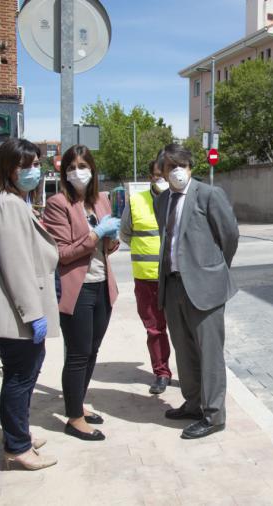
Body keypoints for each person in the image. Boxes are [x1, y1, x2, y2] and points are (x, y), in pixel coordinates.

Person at [0, 139, 58, 470]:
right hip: (19, 314)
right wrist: (33, 314)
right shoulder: (7, 206)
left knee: (23, 372)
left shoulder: (10, 202)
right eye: (25, 166)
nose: (33, 171)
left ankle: (18, 433)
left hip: (19, 312)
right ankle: (17, 447)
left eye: (36, 164)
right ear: (7, 169)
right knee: (20, 376)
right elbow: (17, 265)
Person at [153, 144, 239, 439]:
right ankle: (193, 403)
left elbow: (229, 235)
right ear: (162, 172)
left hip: (205, 286)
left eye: (181, 165)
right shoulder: (162, 200)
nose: (176, 171)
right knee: (184, 350)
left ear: (190, 167)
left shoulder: (209, 194)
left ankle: (214, 415)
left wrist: (214, 268)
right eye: (169, 166)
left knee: (210, 354)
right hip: (173, 284)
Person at [43, 145, 120, 442]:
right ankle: (74, 418)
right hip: (78, 289)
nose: (78, 171)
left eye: (83, 165)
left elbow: (107, 249)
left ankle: (79, 403)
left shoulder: (101, 200)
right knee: (77, 354)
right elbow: (62, 254)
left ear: (93, 169)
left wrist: (111, 240)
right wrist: (95, 234)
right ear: (65, 172)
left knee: (92, 351)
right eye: (72, 166)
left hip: (102, 285)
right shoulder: (57, 203)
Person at [120, 158, 172, 394]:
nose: (160, 178)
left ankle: (193, 375)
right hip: (146, 279)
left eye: (164, 174)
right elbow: (126, 234)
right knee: (155, 329)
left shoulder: (180, 199)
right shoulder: (135, 201)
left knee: (185, 330)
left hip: (176, 276)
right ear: (150, 177)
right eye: (156, 175)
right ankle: (161, 373)